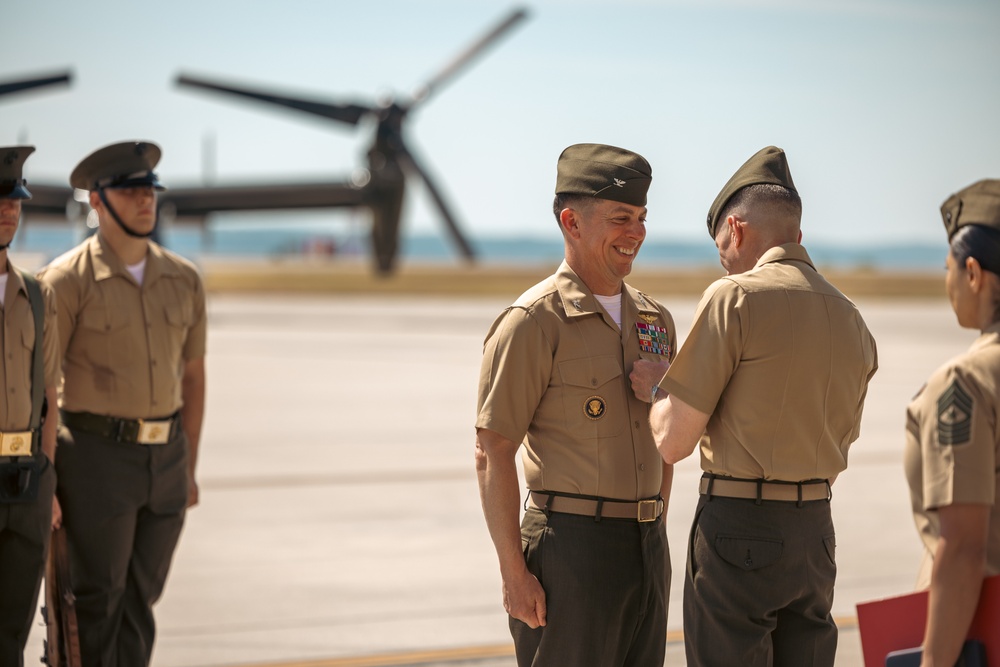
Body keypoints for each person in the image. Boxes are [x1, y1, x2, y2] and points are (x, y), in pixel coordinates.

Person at [640, 146, 878, 666]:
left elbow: (672, 441)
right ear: (796, 235)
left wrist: (660, 387)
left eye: (722, 247)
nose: (724, 260)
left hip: (739, 529)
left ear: (738, 230)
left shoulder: (735, 298)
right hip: (815, 530)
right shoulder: (852, 318)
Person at [475, 143, 676, 667]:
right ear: (572, 222)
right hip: (570, 549)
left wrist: (655, 526)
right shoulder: (534, 320)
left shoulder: (654, 320)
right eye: (620, 218)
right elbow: (492, 450)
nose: (636, 232)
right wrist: (513, 573)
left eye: (641, 218)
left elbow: (668, 440)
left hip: (647, 547)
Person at [38, 140, 207, 667]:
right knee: (95, 601)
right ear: (97, 200)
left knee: (140, 602)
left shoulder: (184, 279)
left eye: (150, 190)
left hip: (167, 460)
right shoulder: (64, 281)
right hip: (95, 460)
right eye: (131, 191)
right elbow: (42, 391)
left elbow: (195, 377)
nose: (145, 201)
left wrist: (188, 469)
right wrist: (47, 481)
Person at [903, 179, 1000, 666]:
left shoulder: (966, 381)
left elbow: (963, 546)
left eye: (949, 271)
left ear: (974, 273)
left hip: (983, 629)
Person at [0, 146, 60, 666]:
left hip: (26, 483)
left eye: (15, 204)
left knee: (12, 637)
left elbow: (49, 398)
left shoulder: (38, 295)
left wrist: (48, 481)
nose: (8, 212)